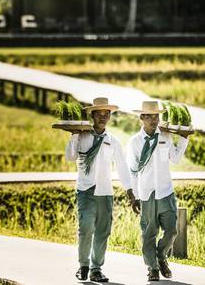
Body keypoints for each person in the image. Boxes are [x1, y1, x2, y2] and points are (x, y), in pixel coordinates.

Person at [65, 97, 133, 283]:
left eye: (107, 114)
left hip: (105, 192)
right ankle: (83, 265)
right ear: (92, 116)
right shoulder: (83, 136)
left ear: (109, 117)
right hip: (86, 190)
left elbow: (122, 168)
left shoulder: (113, 141)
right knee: (85, 227)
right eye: (99, 114)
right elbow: (70, 157)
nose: (103, 117)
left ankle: (96, 268)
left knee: (103, 231)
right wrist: (74, 135)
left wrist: (130, 192)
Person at [125, 101, 190, 282]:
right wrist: (135, 196)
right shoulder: (135, 142)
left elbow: (176, 159)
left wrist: (184, 138)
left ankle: (161, 256)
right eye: (150, 116)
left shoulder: (166, 137)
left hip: (165, 191)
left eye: (156, 116)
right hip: (146, 193)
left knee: (171, 230)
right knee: (149, 233)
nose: (154, 120)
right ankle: (152, 268)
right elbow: (132, 170)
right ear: (142, 118)